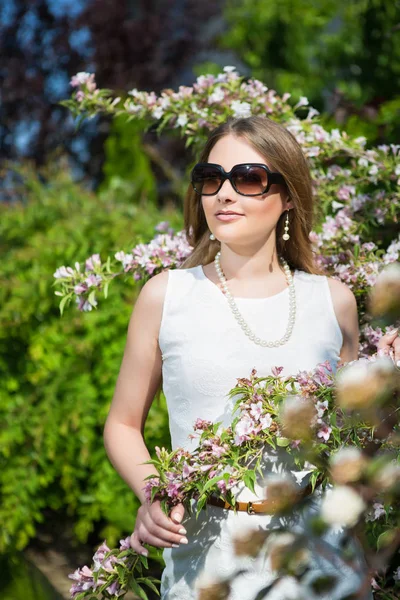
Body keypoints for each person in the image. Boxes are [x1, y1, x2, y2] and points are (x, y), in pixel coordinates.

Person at [103, 116, 399, 600]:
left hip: (323, 561)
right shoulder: (165, 295)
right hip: (205, 559)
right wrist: (154, 494)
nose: (224, 193)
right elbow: (122, 423)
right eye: (210, 178)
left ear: (288, 196)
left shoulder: (334, 301)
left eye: (248, 179)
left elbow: (352, 448)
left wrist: (389, 380)